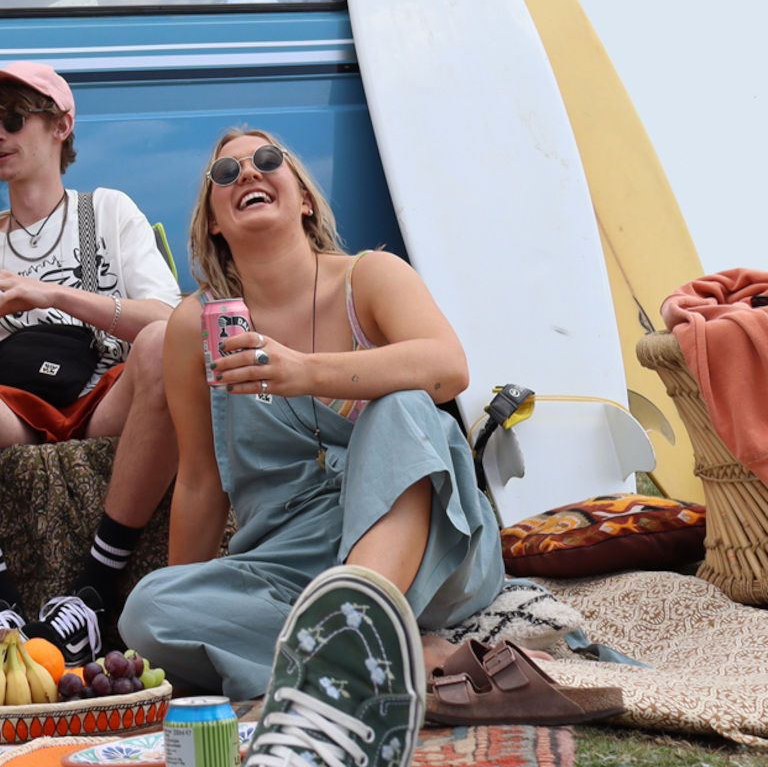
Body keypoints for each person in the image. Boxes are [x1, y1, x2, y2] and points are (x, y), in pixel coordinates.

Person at [121, 128, 504, 767]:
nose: (248, 173)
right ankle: (403, 651)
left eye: (268, 160)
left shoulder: (371, 277)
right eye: (225, 173)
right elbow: (197, 482)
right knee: (148, 608)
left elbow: (449, 367)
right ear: (212, 222)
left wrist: (305, 372)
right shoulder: (196, 326)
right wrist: (185, 613)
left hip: (433, 546)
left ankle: (356, 640)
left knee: (405, 402)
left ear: (302, 197)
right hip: (290, 564)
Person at [0, 61, 182, 667]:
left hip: (104, 397)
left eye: (14, 118)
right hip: (14, 410)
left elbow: (169, 320)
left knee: (161, 345)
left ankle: (95, 597)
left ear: (61, 126)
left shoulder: (106, 211)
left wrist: (53, 294)